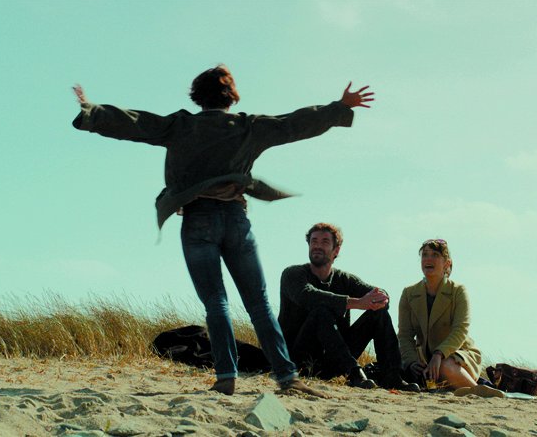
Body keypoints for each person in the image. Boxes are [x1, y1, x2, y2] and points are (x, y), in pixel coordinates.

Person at [71, 64, 374, 396]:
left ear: (197, 95)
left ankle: (226, 375)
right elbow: (292, 124)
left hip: (197, 220)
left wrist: (92, 111)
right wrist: (339, 108)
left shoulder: (180, 125)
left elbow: (137, 123)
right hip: (234, 219)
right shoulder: (247, 126)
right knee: (258, 303)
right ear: (231, 96)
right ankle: (287, 378)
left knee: (216, 302)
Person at [278, 223, 420, 392]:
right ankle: (354, 373)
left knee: (379, 313)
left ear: (336, 250)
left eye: (324, 242)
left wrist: (380, 297)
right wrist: (358, 303)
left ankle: (393, 376)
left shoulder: (344, 279)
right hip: (299, 359)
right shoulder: (292, 274)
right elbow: (307, 296)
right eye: (314, 241)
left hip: (334, 361)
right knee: (321, 311)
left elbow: (376, 292)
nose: (317, 245)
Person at [398, 239, 495, 394]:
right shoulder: (409, 293)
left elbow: (461, 330)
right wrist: (411, 362)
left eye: (435, 255)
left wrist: (439, 354)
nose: (428, 259)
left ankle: (479, 393)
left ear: (447, 263)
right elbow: (404, 335)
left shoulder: (458, 291)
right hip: (425, 361)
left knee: (446, 367)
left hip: (459, 355)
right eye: (424, 255)